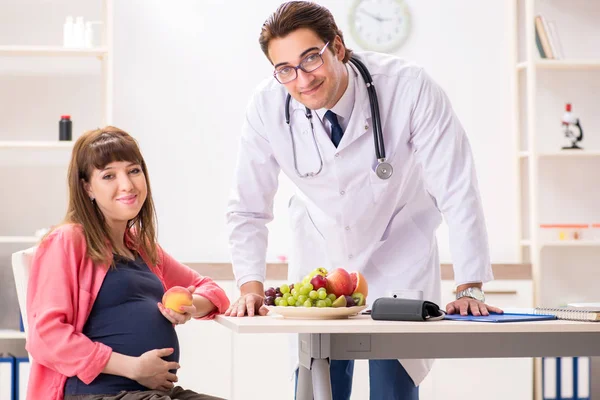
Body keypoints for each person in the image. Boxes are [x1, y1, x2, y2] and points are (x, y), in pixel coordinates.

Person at [225, 1, 504, 399]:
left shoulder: (408, 86)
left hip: (399, 250)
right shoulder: (267, 105)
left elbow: (456, 185)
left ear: (337, 47)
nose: (301, 80)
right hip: (321, 258)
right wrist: (250, 288)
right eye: (285, 69)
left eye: (310, 59)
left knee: (393, 386)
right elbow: (248, 207)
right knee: (320, 382)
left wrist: (470, 286)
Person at [26, 127, 230, 400]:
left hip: (149, 393)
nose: (127, 185)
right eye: (109, 175)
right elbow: (46, 337)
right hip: (96, 394)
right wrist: (133, 368)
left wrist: (191, 307)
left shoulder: (142, 247)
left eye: (134, 171)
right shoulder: (69, 239)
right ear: (88, 187)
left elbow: (210, 289)